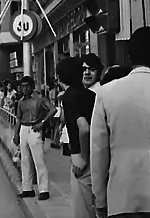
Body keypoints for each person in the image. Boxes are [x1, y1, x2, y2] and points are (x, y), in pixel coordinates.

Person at [91, 27, 150, 218]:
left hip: (121, 196)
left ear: (129, 57)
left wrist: (100, 198)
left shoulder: (106, 93)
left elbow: (98, 150)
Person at [57, 57, 96, 218]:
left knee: (83, 209)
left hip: (81, 157)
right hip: (98, 152)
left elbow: (84, 128)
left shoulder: (69, 97)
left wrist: (82, 158)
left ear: (59, 76)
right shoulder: (90, 94)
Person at [13, 76, 57, 200]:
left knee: (39, 160)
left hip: (35, 128)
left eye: (27, 86)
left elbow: (53, 110)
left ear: (32, 87)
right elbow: (18, 118)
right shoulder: (20, 101)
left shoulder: (39, 99)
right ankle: (27, 189)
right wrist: (16, 134)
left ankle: (44, 190)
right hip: (23, 128)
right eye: (23, 86)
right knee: (25, 160)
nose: (25, 88)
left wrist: (42, 122)